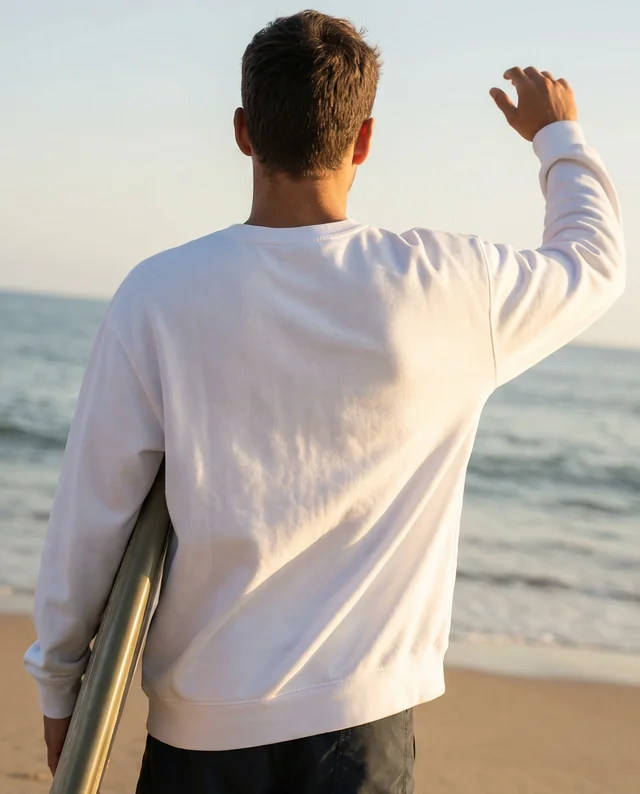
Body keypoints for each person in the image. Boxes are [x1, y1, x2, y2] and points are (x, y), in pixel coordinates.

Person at [25, 10, 624, 794]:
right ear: (364, 140)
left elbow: (92, 516)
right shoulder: (448, 288)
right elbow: (593, 261)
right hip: (363, 723)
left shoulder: (159, 295)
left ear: (243, 131)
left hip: (202, 725)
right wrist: (559, 137)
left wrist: (59, 680)